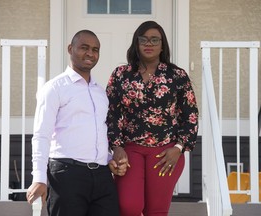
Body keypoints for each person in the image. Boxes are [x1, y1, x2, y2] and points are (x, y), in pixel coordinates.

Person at [26, 30, 125, 216]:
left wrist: (111, 158)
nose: (90, 54)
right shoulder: (54, 88)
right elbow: (41, 135)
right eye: (84, 48)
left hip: (102, 177)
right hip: (67, 175)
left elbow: (100, 132)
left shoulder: (100, 93)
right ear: (70, 49)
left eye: (95, 49)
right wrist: (39, 178)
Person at [106, 21, 199, 216]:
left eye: (155, 39)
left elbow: (190, 116)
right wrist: (116, 146)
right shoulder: (121, 75)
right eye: (144, 39)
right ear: (136, 43)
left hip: (166, 153)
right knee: (128, 206)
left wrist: (179, 148)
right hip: (130, 150)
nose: (149, 44)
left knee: (156, 211)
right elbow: (111, 113)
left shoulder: (177, 76)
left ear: (162, 45)